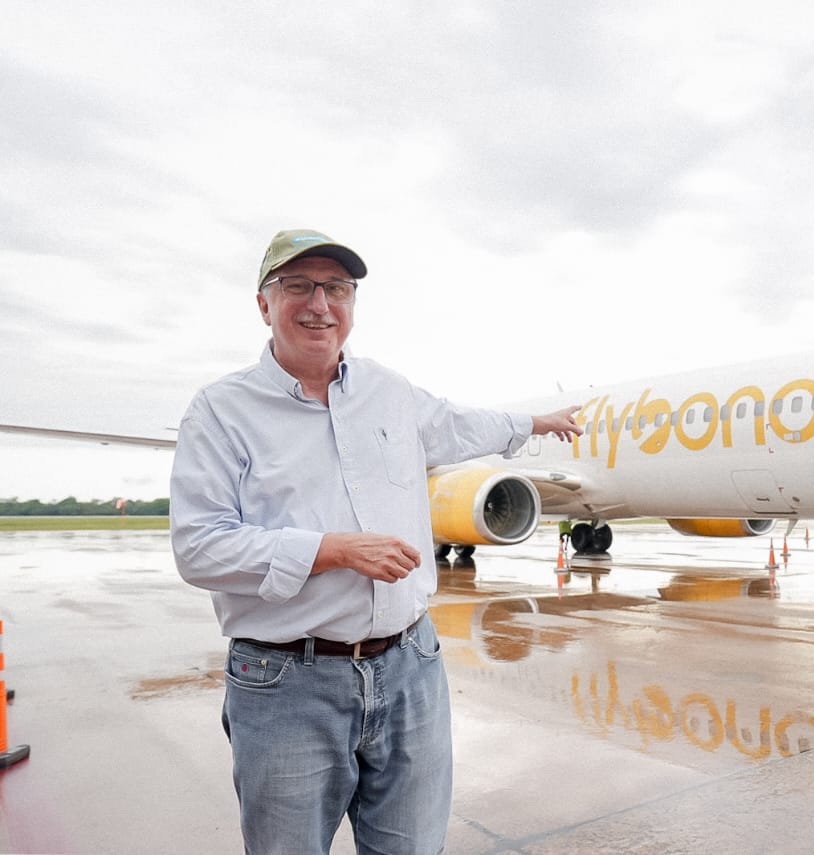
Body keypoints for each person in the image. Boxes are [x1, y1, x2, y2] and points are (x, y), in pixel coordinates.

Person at [169, 228, 582, 855]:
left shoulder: (388, 392)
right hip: (288, 682)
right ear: (264, 304)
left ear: (352, 304)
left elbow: (457, 422)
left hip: (410, 667)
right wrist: (330, 549)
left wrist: (532, 422)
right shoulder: (222, 411)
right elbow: (199, 546)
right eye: (299, 286)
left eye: (337, 288)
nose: (320, 304)